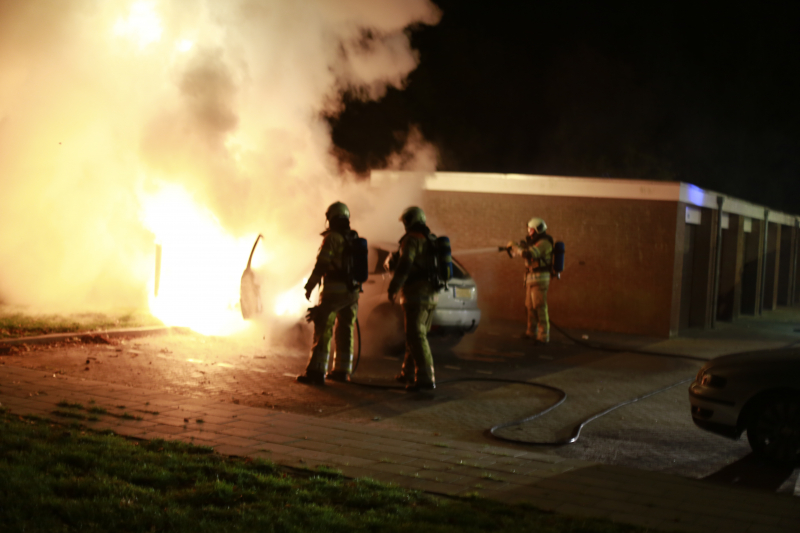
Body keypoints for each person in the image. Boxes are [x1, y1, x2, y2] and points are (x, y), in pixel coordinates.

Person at [296, 201, 361, 386]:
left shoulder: (332, 238)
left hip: (334, 293)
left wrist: (310, 285)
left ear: (330, 218)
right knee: (345, 330)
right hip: (352, 293)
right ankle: (342, 371)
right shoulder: (353, 237)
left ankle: (317, 371)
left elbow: (322, 264)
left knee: (324, 329)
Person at [388, 206, 439, 392]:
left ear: (409, 221)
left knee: (416, 336)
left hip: (416, 295)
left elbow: (405, 266)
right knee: (415, 335)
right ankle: (408, 373)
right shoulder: (430, 240)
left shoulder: (411, 240)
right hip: (431, 296)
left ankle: (425, 379)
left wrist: (393, 288)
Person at [507, 217, 554, 344]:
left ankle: (543, 336)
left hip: (540, 280)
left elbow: (529, 254)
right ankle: (531, 332)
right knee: (530, 307)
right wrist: (514, 248)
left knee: (539, 307)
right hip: (531, 280)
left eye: (530, 229)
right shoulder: (534, 242)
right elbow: (524, 252)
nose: (529, 231)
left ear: (536, 229)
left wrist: (516, 247)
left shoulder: (544, 242)